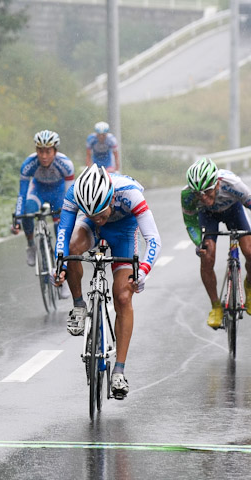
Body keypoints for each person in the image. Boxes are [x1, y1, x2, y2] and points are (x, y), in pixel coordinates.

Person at [54, 165, 161, 399]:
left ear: (112, 198)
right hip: (88, 230)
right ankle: (79, 305)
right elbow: (63, 233)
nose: (101, 221)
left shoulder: (131, 193)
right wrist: (60, 266)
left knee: (123, 297)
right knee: (72, 249)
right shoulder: (75, 194)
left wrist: (142, 272)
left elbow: (153, 240)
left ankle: (119, 371)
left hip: (124, 231)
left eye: (102, 214)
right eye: (93, 215)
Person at [181, 157, 251, 329]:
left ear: (216, 184)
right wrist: (199, 243)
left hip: (234, 211)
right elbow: (190, 222)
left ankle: (250, 284)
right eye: (198, 194)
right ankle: (216, 306)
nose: (203, 197)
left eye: (207, 192)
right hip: (207, 216)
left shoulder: (233, 184)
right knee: (207, 256)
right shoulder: (187, 195)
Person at [12, 130, 74, 297]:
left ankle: (62, 276)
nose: (44, 156)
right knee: (28, 212)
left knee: (60, 230)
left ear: (55, 151)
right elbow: (22, 194)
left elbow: (71, 195)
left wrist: (70, 215)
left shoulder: (66, 164)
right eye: (40, 151)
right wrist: (17, 218)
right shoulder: (28, 164)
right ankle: (31, 245)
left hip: (59, 193)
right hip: (38, 191)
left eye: (48, 151)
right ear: (36, 150)